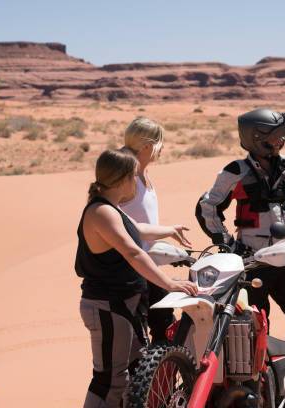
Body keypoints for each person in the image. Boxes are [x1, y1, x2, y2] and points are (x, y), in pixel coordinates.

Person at [195, 108, 285, 396]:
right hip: (249, 264)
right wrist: (228, 244)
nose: (282, 141)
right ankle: (256, 384)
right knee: (252, 327)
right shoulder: (235, 172)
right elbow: (207, 207)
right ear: (258, 139)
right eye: (277, 136)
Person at [76, 149, 198, 408]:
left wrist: (169, 230)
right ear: (122, 179)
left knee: (132, 375)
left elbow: (138, 229)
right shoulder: (101, 212)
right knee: (109, 380)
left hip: (123, 306)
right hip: (108, 305)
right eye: (133, 176)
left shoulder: (112, 209)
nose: (136, 181)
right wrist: (170, 284)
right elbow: (133, 252)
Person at [119, 117, 176, 344]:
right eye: (159, 144)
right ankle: (143, 379)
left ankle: (162, 377)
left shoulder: (143, 173)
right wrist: (166, 231)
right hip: (132, 269)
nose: (161, 149)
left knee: (166, 326)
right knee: (137, 335)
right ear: (146, 146)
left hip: (152, 265)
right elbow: (123, 224)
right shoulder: (126, 177)